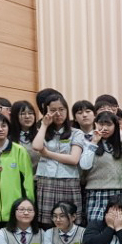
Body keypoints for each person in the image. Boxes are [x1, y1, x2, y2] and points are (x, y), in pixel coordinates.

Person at [32, 93, 84, 228]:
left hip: (69, 180)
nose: (58, 113)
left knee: (68, 221)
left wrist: (47, 153)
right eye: (53, 110)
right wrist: (44, 125)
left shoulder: (76, 133)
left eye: (61, 109)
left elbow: (74, 159)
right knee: (47, 222)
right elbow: (37, 146)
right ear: (46, 112)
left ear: (67, 111)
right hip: (46, 180)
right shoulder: (41, 130)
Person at [79, 111, 122, 225]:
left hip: (118, 192)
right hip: (95, 192)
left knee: (116, 227)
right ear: (95, 124)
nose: (104, 128)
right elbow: (84, 165)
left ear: (115, 126)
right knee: (95, 227)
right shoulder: (88, 142)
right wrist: (94, 141)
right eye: (101, 124)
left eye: (109, 125)